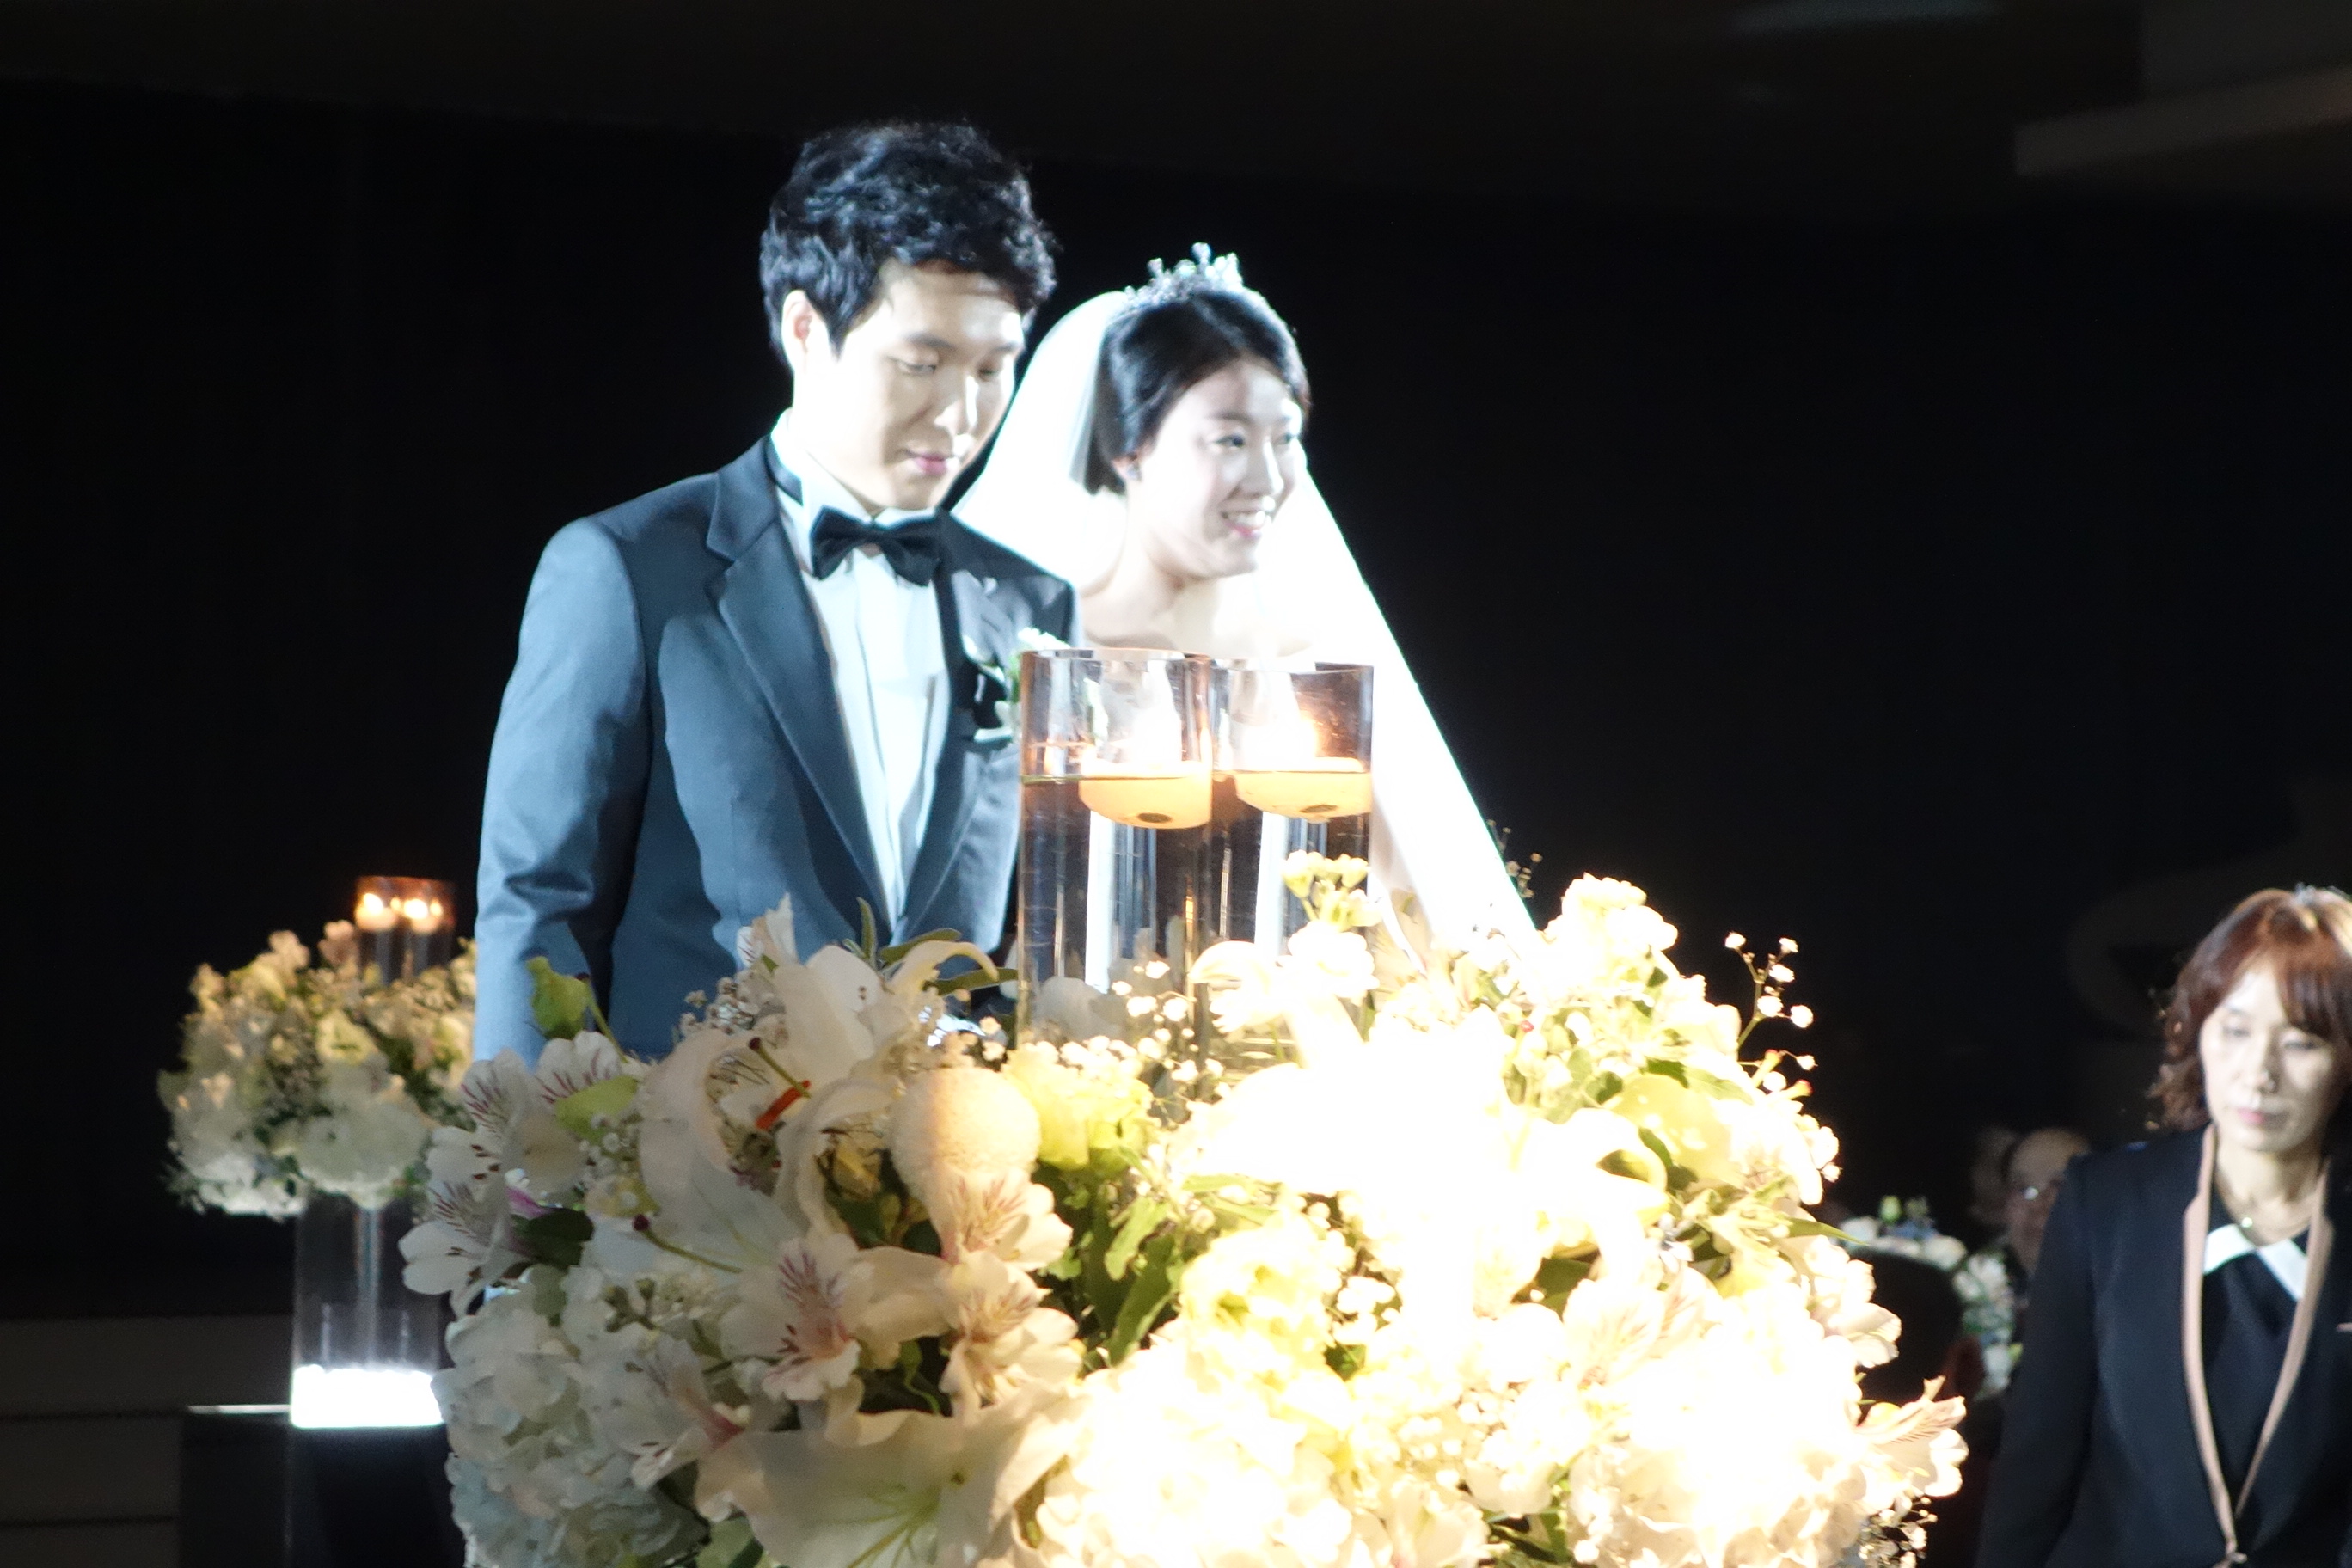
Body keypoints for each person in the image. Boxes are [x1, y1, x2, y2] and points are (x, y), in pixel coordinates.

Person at [473, 123, 1076, 1060]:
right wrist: (524, 1142)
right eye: (921, 364)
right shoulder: (631, 567)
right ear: (805, 329)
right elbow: (539, 903)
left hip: (949, 1141)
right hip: (688, 1142)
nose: (961, 415)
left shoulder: (1031, 602)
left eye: (993, 370)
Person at [956, 250, 1529, 947]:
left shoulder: (1309, 666)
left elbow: (1421, 923)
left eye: (1284, 438)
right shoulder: (1042, 656)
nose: (1267, 478)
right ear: (1129, 450)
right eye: (1229, 439)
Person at [1977, 887, 2352, 1567]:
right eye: (2235, 1029)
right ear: (2197, 1030)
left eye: (2301, 1041)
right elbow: (2040, 1457)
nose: (2259, 1073)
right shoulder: (2107, 1205)